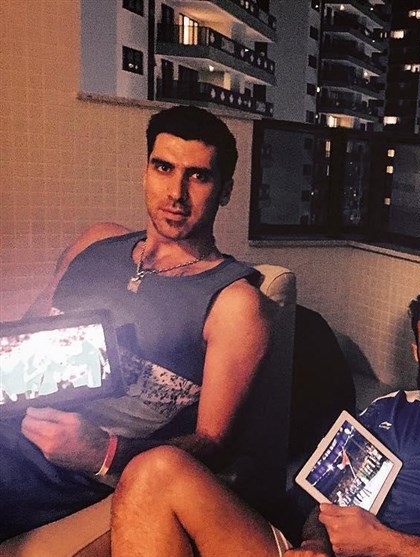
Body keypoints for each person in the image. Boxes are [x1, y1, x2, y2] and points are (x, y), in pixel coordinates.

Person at [0, 105, 270, 541]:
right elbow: (25, 330)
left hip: (63, 472)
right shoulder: (96, 242)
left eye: (198, 176)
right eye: (163, 168)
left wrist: (102, 450)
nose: (176, 193)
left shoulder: (235, 303)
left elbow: (213, 444)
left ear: (225, 191)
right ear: (145, 172)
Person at [110, 284, 420, 557]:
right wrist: (316, 543)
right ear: (415, 351)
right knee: (155, 470)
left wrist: (385, 543)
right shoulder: (389, 410)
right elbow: (323, 499)